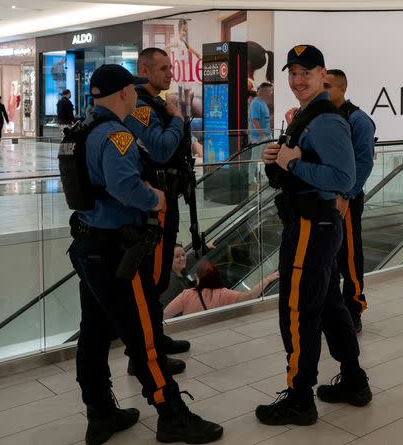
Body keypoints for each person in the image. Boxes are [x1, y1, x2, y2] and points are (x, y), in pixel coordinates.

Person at [64, 64, 222, 444]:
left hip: (87, 245)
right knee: (144, 336)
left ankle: (99, 411)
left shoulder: (79, 131)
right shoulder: (115, 136)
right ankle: (171, 414)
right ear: (123, 94)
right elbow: (124, 186)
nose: (136, 95)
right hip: (116, 249)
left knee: (94, 332)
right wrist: (157, 197)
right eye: (132, 90)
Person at [256, 44, 372, 426]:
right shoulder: (307, 116)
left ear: (323, 75)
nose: (298, 80)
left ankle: (299, 397)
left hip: (311, 226)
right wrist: (279, 159)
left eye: (306, 72)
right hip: (312, 224)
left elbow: (344, 179)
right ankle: (354, 378)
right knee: (327, 305)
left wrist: (295, 163)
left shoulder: (327, 120)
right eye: (292, 73)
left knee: (297, 310)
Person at [123, 48, 192, 372]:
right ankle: (145, 356)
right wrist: (176, 118)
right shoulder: (140, 107)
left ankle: (156, 338)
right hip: (155, 206)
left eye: (171, 68)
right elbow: (162, 150)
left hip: (168, 199)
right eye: (164, 68)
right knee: (151, 278)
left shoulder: (157, 105)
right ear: (145, 69)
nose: (170, 74)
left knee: (161, 275)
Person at [323, 69, 376, 332]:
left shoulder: (359, 120)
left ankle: (354, 308)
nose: (323, 90)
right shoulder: (320, 116)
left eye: (328, 86)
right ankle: (331, 308)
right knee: (326, 257)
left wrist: (346, 196)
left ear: (342, 88)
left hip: (347, 201)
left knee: (350, 256)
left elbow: (364, 162)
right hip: (321, 199)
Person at [163, 263, 279, 318]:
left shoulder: (187, 295)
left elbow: (166, 315)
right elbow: (250, 296)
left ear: (198, 278)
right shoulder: (224, 294)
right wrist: (267, 279)